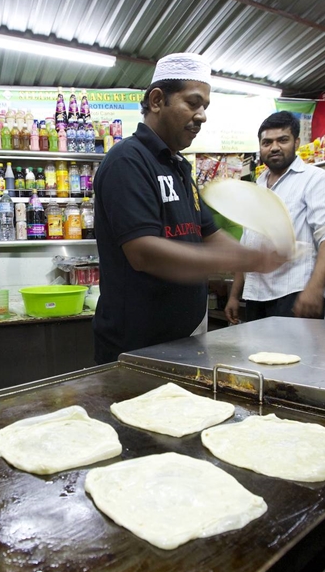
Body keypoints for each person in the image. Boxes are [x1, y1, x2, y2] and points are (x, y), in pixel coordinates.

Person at [93, 53, 286, 364]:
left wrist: (254, 256)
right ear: (157, 100)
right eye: (193, 103)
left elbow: (208, 234)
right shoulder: (127, 160)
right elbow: (143, 252)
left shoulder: (179, 167)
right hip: (137, 344)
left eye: (205, 107)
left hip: (185, 338)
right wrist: (242, 258)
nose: (202, 116)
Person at [225, 111, 325, 324]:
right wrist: (235, 295)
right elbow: (248, 244)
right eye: (267, 142)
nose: (274, 147)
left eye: (282, 140)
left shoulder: (317, 181)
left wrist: (315, 288)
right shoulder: (257, 187)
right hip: (256, 296)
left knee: (295, 357)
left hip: (296, 293)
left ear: (296, 142)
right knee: (257, 357)